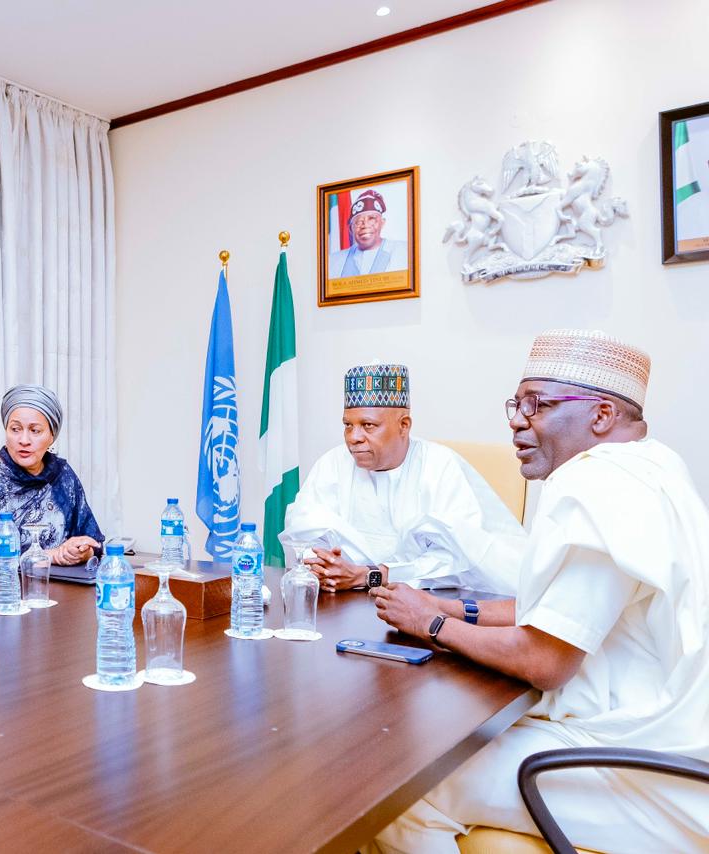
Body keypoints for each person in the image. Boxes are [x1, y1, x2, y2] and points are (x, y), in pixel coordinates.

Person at [369, 330, 709, 853]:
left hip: (651, 773)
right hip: (672, 750)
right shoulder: (654, 465)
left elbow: (545, 659)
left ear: (600, 416)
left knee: (394, 788)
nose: (516, 420)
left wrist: (431, 624)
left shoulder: (598, 484)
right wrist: (449, 605)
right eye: (517, 403)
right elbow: (558, 612)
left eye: (538, 405)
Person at [281, 363, 525, 594]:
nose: (353, 437)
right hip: (342, 604)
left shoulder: (440, 467)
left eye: (368, 425)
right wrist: (325, 567)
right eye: (347, 425)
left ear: (404, 425)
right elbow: (302, 533)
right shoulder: (332, 464)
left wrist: (370, 575)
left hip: (429, 610)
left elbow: (460, 561)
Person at [0, 384, 103, 580]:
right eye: (15, 429)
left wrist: (82, 551)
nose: (24, 440)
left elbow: (94, 541)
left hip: (52, 592)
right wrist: (47, 556)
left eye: (35, 431)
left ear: (51, 436)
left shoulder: (61, 476)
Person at [328, 189, 409, 278]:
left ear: (382, 223)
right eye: (358, 221)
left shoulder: (405, 251)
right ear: (351, 229)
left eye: (371, 219)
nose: (365, 225)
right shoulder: (332, 261)